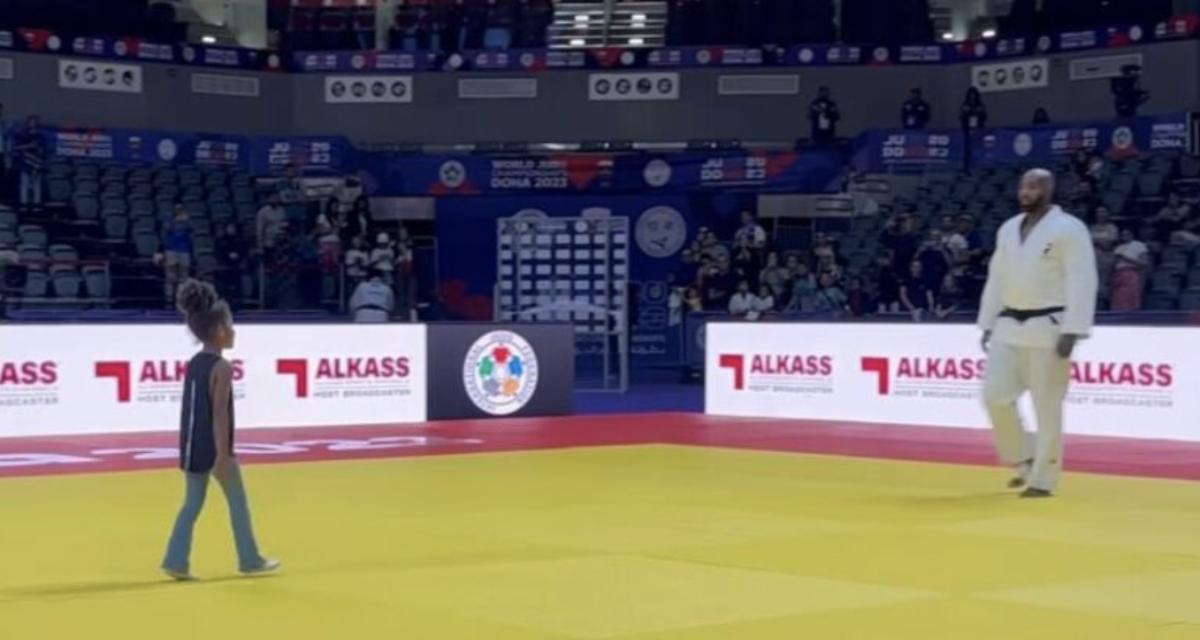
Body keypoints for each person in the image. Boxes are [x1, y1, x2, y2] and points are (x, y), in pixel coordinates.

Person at [978, 168, 1098, 498]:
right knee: (994, 395)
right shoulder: (1007, 229)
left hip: (1049, 327)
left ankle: (1044, 478)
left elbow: (1082, 279)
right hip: (1007, 324)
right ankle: (1023, 456)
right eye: (1023, 186)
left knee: (1047, 405)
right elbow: (996, 277)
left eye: (1033, 186)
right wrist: (987, 322)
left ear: (1049, 190)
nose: (1025, 192)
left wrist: (1074, 329)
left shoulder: (1068, 228)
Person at [162, 279, 280, 580]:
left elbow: (191, 411)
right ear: (218, 331)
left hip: (192, 445)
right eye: (230, 326)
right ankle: (249, 559)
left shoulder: (194, 363)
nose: (234, 331)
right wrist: (224, 454)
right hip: (215, 447)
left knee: (191, 504)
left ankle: (175, 560)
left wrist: (191, 449)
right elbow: (219, 415)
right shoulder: (222, 368)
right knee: (238, 502)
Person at [1110, 228, 1149, 311]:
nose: (1125, 236)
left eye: (1127, 234)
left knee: (1130, 297)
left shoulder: (1139, 245)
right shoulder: (1119, 247)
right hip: (1118, 274)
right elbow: (1113, 264)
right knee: (1118, 299)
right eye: (1123, 235)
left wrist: (1126, 259)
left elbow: (1144, 263)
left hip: (1131, 273)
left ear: (1132, 234)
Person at [12, 115, 45, 212]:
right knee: (24, 184)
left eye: (34, 121)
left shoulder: (41, 136)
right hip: (25, 163)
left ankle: (36, 205)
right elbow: (16, 148)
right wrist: (28, 146)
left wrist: (39, 149)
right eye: (31, 121)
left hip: (37, 163)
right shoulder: (23, 135)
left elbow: (44, 150)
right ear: (27, 123)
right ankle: (24, 205)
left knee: (37, 185)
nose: (33, 123)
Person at [161, 205, 193, 305]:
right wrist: (176, 221)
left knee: (184, 277)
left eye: (181, 209)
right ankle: (169, 299)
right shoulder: (169, 220)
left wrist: (185, 221)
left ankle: (181, 299)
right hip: (171, 251)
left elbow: (190, 232)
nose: (179, 211)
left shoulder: (187, 222)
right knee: (170, 277)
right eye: (177, 209)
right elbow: (167, 229)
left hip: (184, 252)